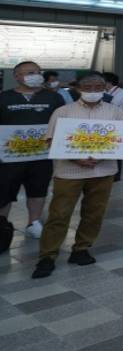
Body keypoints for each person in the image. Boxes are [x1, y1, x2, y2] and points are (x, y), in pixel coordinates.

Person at [32, 72, 123, 278]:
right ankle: (47, 256)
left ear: (105, 88)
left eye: (98, 87)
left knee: (94, 212)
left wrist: (101, 157)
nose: (93, 91)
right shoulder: (63, 112)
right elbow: (51, 140)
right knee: (59, 214)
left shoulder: (115, 112)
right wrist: (76, 158)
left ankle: (81, 249)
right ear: (78, 88)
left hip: (103, 170)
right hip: (68, 171)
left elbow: (122, 140)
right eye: (88, 87)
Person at [0, 61, 65, 241]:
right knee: (4, 192)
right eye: (29, 72)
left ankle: (33, 223)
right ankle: (2, 225)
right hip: (9, 158)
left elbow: (62, 123)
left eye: (37, 72)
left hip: (41, 156)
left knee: (38, 190)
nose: (35, 75)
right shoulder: (4, 97)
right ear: (17, 76)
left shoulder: (53, 98)